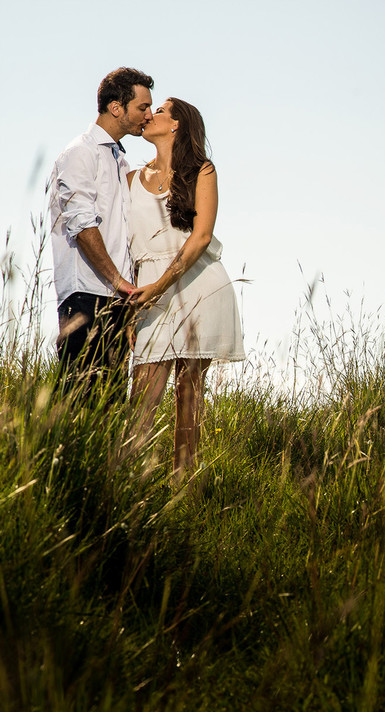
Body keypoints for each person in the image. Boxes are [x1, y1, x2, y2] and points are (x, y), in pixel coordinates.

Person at [127, 97, 245, 479]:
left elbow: (201, 237)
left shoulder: (201, 171)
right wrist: (130, 305)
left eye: (159, 111)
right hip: (148, 295)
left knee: (188, 398)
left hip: (198, 287)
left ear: (176, 125)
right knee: (142, 400)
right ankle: (126, 484)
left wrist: (160, 286)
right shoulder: (130, 179)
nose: (150, 115)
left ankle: (184, 489)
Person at [48, 67, 154, 401]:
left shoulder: (120, 161)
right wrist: (119, 281)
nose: (148, 116)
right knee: (79, 401)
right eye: (143, 107)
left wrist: (126, 294)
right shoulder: (80, 152)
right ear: (116, 107)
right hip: (86, 295)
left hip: (117, 300)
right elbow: (81, 225)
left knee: (109, 407)